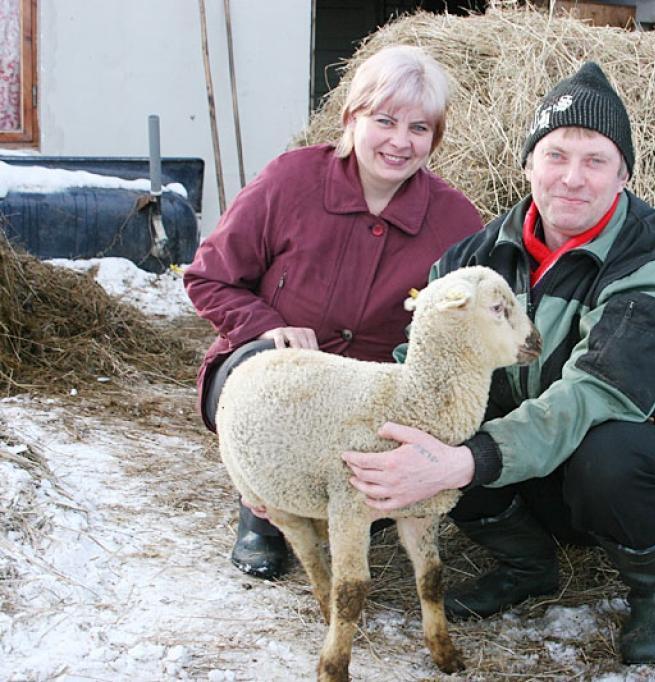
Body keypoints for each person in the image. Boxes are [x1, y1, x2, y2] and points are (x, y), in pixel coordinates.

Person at [341, 62, 655, 664]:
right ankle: (526, 563)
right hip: (527, 464)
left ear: (623, 175)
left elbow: (595, 395)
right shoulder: (476, 255)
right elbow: (420, 368)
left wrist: (464, 462)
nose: (572, 179)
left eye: (596, 160)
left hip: (638, 466)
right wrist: (347, 462)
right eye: (556, 156)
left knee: (610, 453)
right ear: (528, 165)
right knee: (437, 409)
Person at [183, 45, 482, 581]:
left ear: (434, 139)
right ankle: (263, 517)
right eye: (384, 120)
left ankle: (355, 506)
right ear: (351, 117)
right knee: (261, 369)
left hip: (372, 396)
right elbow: (208, 277)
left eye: (418, 128)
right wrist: (268, 327)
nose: (399, 141)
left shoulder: (456, 220)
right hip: (271, 369)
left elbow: (468, 321)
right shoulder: (290, 180)